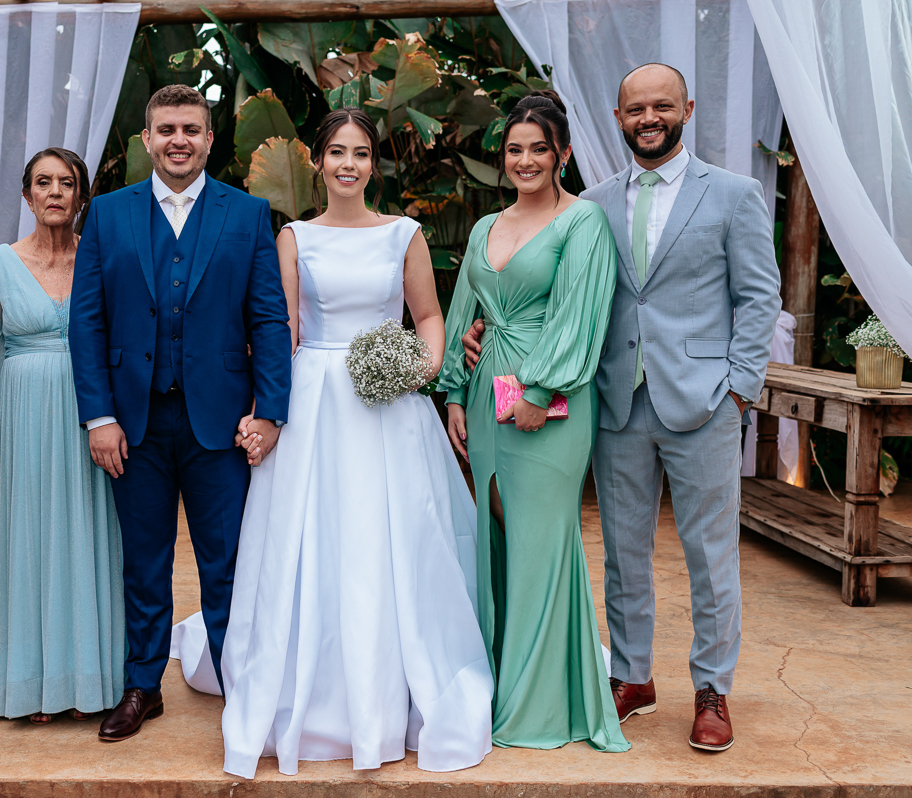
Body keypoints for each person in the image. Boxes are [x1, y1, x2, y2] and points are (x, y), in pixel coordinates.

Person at [463, 66, 781, 752]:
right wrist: (488, 328)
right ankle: (632, 677)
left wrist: (738, 389)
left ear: (686, 109)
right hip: (611, 402)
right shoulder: (590, 205)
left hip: (703, 402)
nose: (649, 117)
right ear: (616, 115)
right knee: (624, 553)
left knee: (709, 553)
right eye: (636, 107)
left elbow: (759, 297)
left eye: (662, 105)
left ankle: (712, 688)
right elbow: (550, 290)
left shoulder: (734, 194)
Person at [209, 107, 493, 778]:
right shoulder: (294, 238)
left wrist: (417, 370)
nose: (348, 164)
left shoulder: (404, 234)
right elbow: (287, 331)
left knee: (390, 538)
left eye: (360, 153)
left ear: (374, 164)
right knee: (313, 538)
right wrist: (264, 413)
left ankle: (396, 685)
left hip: (388, 404)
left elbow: (428, 318)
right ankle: (312, 691)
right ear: (317, 161)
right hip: (314, 400)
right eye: (336, 151)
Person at [68, 85, 292, 743]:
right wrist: (97, 417)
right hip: (134, 424)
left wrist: (271, 411)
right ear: (146, 139)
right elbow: (86, 323)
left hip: (219, 425)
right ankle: (143, 686)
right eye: (166, 129)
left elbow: (269, 319)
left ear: (209, 139)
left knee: (227, 561)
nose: (178, 141)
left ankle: (237, 684)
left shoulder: (247, 214)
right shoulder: (107, 215)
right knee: (145, 559)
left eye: (191, 129)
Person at [440, 91, 629, 753]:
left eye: (538, 149)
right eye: (515, 149)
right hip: (489, 394)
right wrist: (455, 395)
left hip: (553, 402)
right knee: (499, 540)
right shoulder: (484, 227)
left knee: (544, 543)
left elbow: (583, 314)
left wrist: (540, 389)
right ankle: (501, 678)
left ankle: (538, 704)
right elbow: (465, 310)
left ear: (563, 154)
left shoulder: (584, 223)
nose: (525, 160)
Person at [0, 148, 125, 724]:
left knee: (92, 536)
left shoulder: (102, 258)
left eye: (67, 183)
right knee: (32, 540)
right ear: (26, 194)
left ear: (81, 194)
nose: (55, 192)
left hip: (95, 418)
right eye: (43, 182)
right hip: (27, 418)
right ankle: (33, 684)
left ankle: (94, 678)